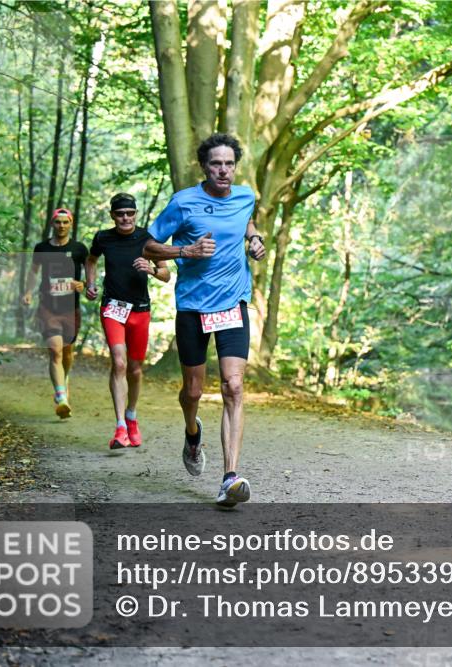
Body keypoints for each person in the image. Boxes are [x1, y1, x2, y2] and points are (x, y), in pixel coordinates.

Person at [143, 133, 266, 507]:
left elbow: (246, 220)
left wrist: (255, 238)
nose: (223, 170)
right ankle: (192, 433)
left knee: (233, 386)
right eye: (216, 164)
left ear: (235, 166)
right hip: (194, 308)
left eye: (229, 163)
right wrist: (186, 250)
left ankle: (230, 476)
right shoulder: (184, 203)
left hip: (233, 304)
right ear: (204, 166)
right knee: (193, 392)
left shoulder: (245, 196)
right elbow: (147, 244)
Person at [85, 193, 171, 450]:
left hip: (140, 310)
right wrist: (90, 283)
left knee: (134, 369)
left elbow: (166, 274)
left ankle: (132, 416)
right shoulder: (103, 238)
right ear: (112, 215)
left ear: (136, 214)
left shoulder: (147, 239)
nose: (125, 218)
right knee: (119, 363)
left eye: (130, 213)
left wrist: (152, 269)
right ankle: (120, 426)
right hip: (112, 308)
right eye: (120, 213)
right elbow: (91, 260)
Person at [23, 208, 88, 419]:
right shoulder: (41, 248)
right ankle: (61, 397)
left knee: (67, 353)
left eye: (65, 222)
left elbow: (91, 272)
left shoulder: (79, 249)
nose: (61, 226)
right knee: (55, 351)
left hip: (71, 308)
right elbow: (33, 272)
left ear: (71, 224)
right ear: (53, 224)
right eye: (58, 222)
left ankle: (63, 380)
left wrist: (84, 284)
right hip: (48, 307)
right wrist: (28, 293)